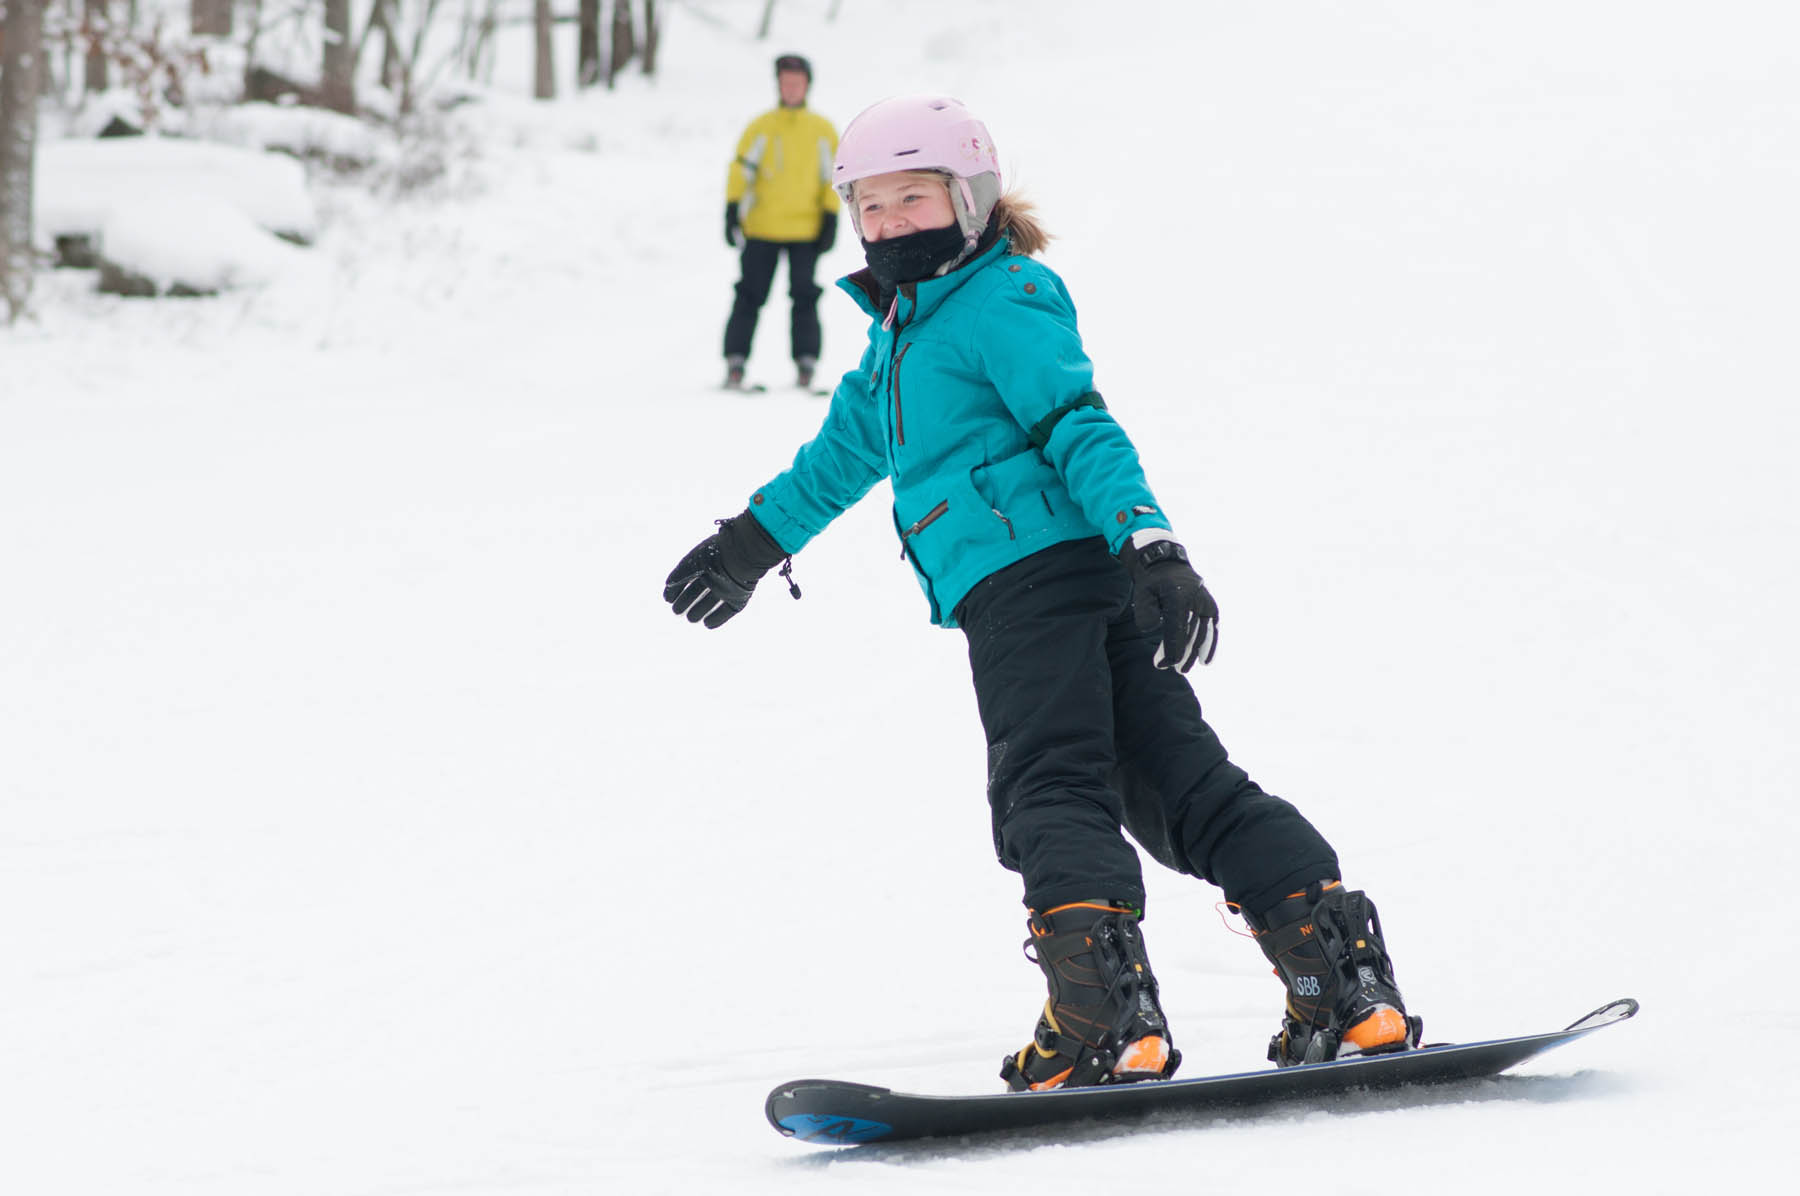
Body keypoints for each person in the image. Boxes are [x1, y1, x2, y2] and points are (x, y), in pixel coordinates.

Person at [666, 95, 1421, 1091]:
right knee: (1177, 785)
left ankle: (1105, 1018)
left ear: (970, 199)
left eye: (915, 197)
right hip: (1075, 580)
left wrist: (1150, 540)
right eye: (872, 206)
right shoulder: (899, 339)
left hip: (1031, 584)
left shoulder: (1001, 299)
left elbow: (1077, 421)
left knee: (1046, 787)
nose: (891, 222)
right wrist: (750, 543)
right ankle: (1347, 987)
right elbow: (841, 456)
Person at [722, 54, 840, 391]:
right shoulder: (761, 126)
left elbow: (832, 176)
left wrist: (831, 216)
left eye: (797, 83)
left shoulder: (822, 130)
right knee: (749, 295)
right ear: (778, 84)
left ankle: (806, 362)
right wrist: (732, 208)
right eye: (786, 82)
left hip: (806, 231)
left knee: (804, 297)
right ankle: (735, 362)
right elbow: (740, 169)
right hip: (762, 228)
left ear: (807, 86)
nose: (791, 88)